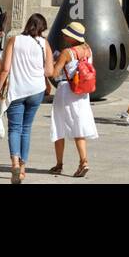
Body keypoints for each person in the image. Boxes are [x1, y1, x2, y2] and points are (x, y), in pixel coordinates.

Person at [0, 13, 55, 185]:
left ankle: (14, 163)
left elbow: (5, 69)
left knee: (14, 128)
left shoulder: (14, 40)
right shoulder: (45, 44)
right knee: (26, 128)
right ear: (42, 27)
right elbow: (49, 72)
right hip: (36, 89)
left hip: (17, 89)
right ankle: (22, 168)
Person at [50, 20, 98, 177]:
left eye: (67, 34)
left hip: (66, 90)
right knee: (79, 127)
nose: (64, 36)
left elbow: (54, 73)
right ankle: (84, 161)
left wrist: (53, 61)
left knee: (58, 126)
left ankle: (59, 164)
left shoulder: (67, 52)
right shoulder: (88, 50)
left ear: (72, 37)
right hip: (82, 92)